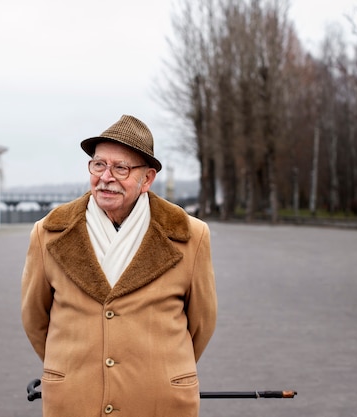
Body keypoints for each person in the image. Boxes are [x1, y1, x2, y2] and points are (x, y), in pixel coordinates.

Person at [21, 114, 218, 417]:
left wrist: (161, 371)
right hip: (74, 401)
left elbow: (201, 324)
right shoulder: (48, 232)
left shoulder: (191, 236)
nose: (105, 177)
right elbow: (35, 319)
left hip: (159, 403)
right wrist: (73, 368)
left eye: (121, 168)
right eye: (98, 164)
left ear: (147, 179)